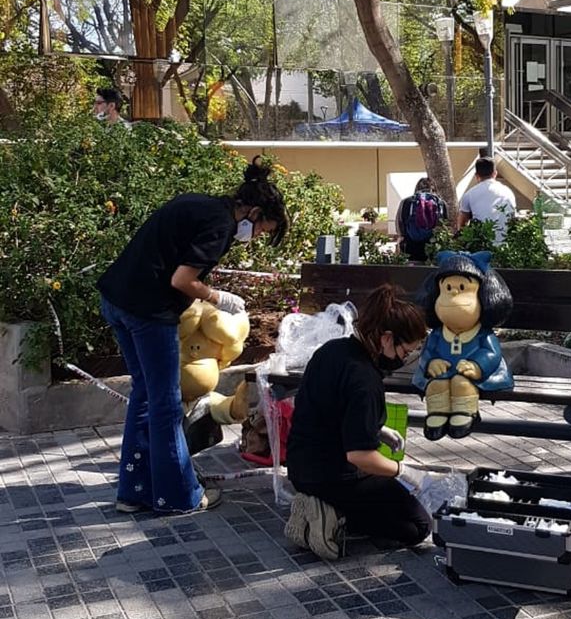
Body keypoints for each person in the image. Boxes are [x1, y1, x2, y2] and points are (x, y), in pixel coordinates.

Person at [97, 158, 287, 516]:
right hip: (147, 312)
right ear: (254, 212)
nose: (256, 237)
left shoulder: (203, 204)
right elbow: (181, 280)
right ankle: (178, 496)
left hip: (116, 300)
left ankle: (134, 491)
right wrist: (219, 298)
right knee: (166, 403)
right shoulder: (220, 225)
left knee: (144, 395)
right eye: (262, 230)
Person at [284, 284, 431, 561]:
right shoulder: (365, 379)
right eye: (405, 351)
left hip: (300, 464)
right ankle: (332, 514)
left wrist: (375, 428)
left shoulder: (333, 350)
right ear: (387, 339)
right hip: (334, 475)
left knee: (390, 500)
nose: (405, 358)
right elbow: (361, 457)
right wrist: (403, 471)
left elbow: (330, 410)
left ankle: (323, 503)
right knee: (418, 526)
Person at [456, 157, 516, 243]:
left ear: (476, 175)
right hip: (506, 242)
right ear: (495, 173)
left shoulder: (469, 194)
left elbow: (462, 222)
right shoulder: (508, 192)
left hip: (482, 244)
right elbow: (513, 217)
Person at [395, 176, 447, 262]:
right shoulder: (441, 203)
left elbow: (399, 226)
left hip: (410, 247)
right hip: (433, 247)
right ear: (434, 189)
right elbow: (445, 226)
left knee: (411, 273)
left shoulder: (406, 202)